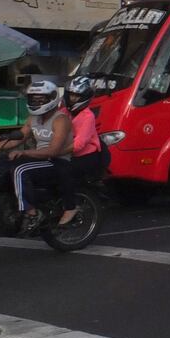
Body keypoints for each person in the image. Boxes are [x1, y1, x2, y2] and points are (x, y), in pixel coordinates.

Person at [0, 81, 72, 232]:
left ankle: (32, 213)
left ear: (51, 98)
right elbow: (17, 139)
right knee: (0, 164)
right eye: (33, 99)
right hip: (38, 159)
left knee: (20, 170)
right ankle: (5, 207)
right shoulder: (33, 119)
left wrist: (24, 152)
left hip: (56, 162)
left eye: (40, 99)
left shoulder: (60, 119)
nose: (36, 102)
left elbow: (54, 150)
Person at [55, 76, 102, 226]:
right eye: (71, 95)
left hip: (86, 157)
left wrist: (56, 151)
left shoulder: (87, 117)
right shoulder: (64, 112)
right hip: (65, 153)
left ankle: (71, 207)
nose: (72, 99)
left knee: (64, 171)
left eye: (77, 96)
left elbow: (79, 145)